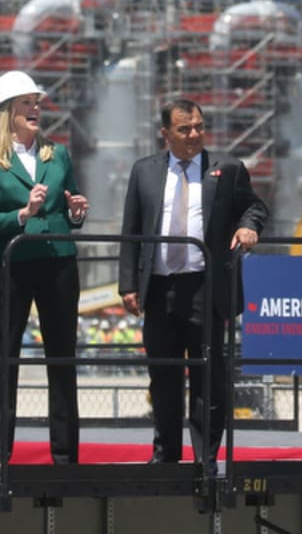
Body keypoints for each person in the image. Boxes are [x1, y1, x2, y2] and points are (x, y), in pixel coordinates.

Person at [117, 96, 267, 465]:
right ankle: (165, 454)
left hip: (206, 287)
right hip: (159, 290)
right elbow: (131, 229)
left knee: (208, 379)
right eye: (184, 129)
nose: (194, 134)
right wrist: (127, 284)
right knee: (163, 378)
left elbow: (255, 206)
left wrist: (248, 227)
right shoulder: (144, 171)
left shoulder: (227, 168)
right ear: (165, 133)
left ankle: (206, 457)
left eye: (199, 126)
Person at [0, 71, 90, 467]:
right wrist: (23, 213)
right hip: (12, 265)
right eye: (26, 103)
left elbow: (69, 206)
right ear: (7, 112)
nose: (36, 109)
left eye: (37, 102)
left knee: (62, 358)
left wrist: (75, 214)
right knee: (1, 358)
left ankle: (64, 456)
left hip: (57, 262)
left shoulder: (58, 155)